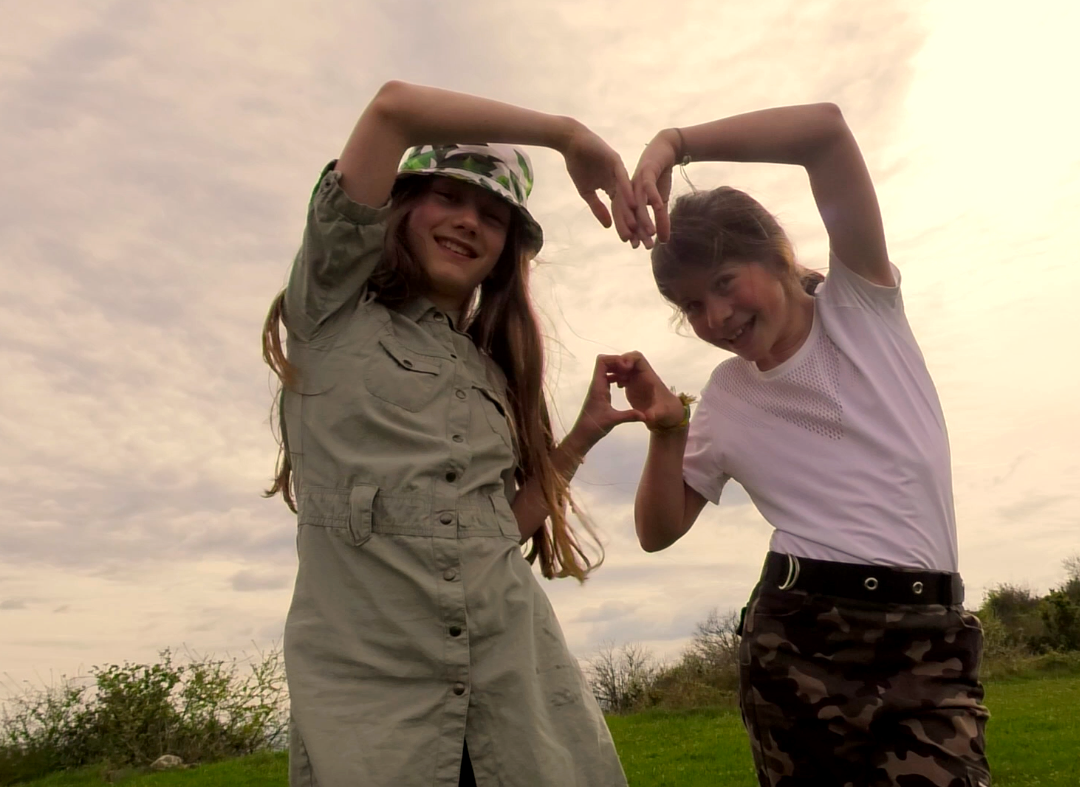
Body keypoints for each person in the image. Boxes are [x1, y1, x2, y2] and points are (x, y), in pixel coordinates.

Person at [261, 79, 641, 787]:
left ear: (505, 251)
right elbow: (392, 109)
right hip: (377, 713)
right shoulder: (332, 308)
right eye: (448, 196)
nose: (469, 222)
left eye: (493, 217)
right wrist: (566, 135)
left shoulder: (488, 370)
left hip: (514, 688)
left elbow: (495, 531)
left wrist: (584, 434)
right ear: (402, 206)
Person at [609, 104, 992, 786]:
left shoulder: (862, 307)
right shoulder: (726, 396)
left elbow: (827, 133)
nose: (716, 316)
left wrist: (675, 143)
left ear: (776, 253)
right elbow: (657, 531)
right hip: (801, 641)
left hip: (930, 636)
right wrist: (667, 430)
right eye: (692, 305)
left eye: (724, 282)